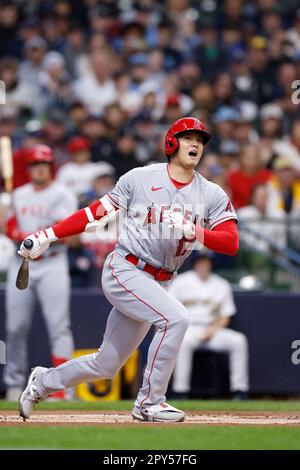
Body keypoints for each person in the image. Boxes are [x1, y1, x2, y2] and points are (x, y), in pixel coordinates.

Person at [18, 117, 239, 423]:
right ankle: (150, 402)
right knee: (176, 318)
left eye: (200, 140)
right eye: (188, 138)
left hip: (158, 281)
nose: (195, 145)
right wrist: (48, 235)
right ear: (172, 143)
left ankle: (42, 382)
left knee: (106, 365)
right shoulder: (139, 178)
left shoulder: (211, 193)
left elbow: (230, 243)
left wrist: (196, 232)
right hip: (126, 267)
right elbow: (96, 213)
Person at [4, 145, 77, 401]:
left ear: (50, 167)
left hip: (52, 262)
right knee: (15, 327)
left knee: (59, 327)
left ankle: (63, 387)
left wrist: (35, 238)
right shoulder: (19, 194)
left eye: (44, 164)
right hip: (23, 264)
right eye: (35, 165)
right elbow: (7, 222)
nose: (39, 168)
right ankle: (13, 384)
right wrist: (11, 228)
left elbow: (68, 234)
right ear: (29, 168)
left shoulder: (62, 194)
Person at [169, 251, 249, 399]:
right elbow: (168, 310)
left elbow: (226, 316)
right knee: (185, 343)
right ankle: (180, 391)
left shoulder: (221, 284)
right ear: (195, 262)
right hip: (188, 329)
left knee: (239, 340)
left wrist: (214, 329)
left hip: (212, 329)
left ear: (211, 263)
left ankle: (240, 390)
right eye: (201, 260)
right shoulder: (181, 281)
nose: (204, 264)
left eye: (207, 261)